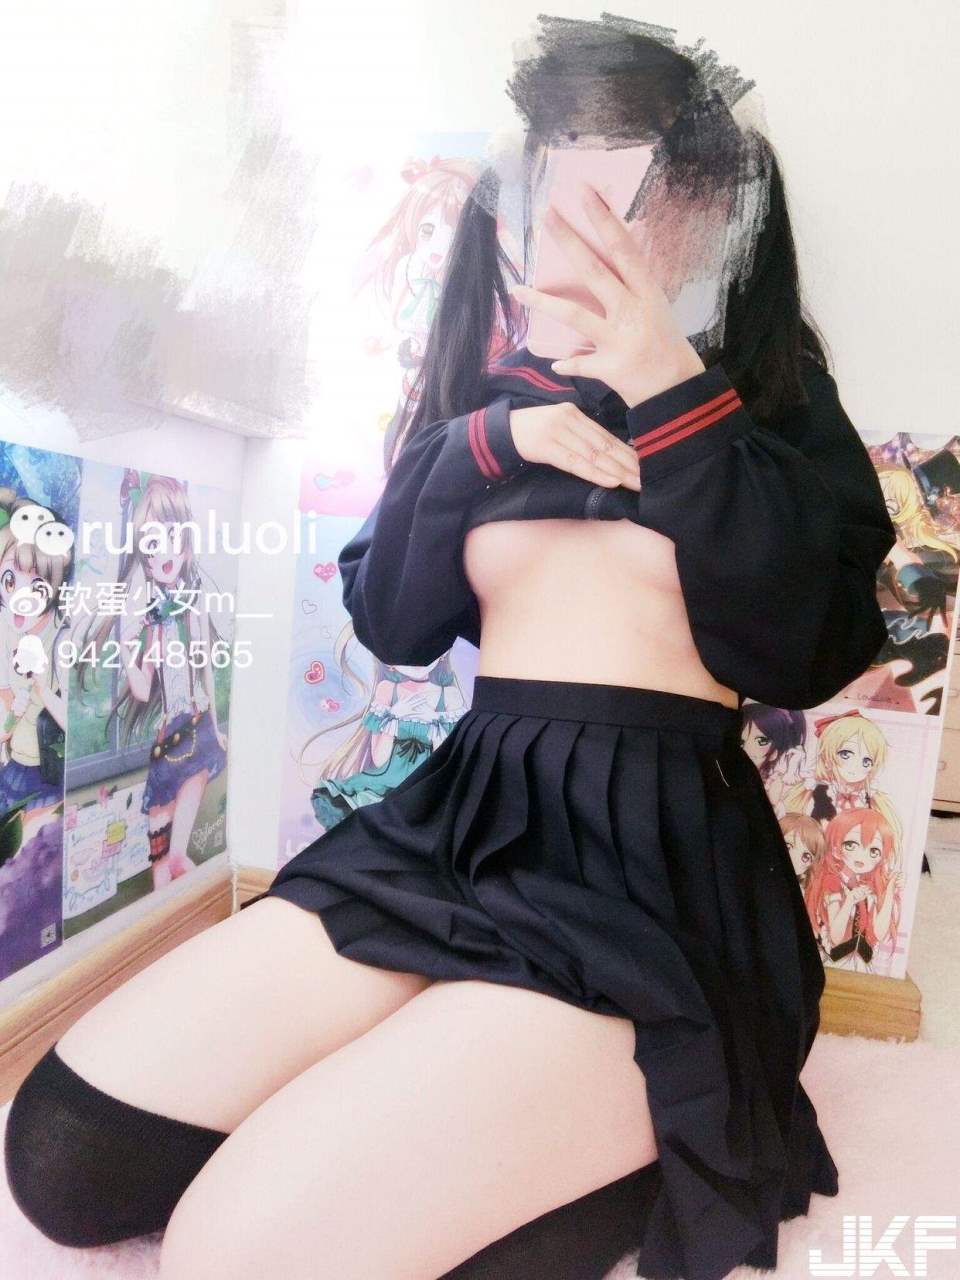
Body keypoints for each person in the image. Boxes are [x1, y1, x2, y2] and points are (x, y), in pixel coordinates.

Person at [4, 17, 896, 1280]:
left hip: (651, 867)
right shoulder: (491, 394)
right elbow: (394, 617)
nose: (577, 237)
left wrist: (669, 388)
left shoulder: (767, 394)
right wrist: (490, 444)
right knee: (63, 1155)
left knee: (233, 1249)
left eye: (625, 201)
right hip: (466, 821)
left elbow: (808, 642)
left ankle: (646, 1128)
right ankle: (457, 1051)